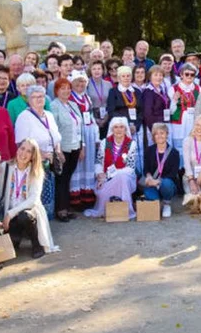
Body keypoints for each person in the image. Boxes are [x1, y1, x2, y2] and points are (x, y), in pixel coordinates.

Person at [1, 139, 58, 258]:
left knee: (24, 216)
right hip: (9, 212)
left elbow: (33, 199)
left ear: (33, 156)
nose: (24, 153)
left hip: (28, 212)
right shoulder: (5, 167)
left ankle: (36, 244)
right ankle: (16, 237)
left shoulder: (36, 171)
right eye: (22, 148)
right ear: (17, 149)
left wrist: (10, 214)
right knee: (12, 246)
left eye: (29, 151)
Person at [15, 86, 63, 219]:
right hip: (34, 162)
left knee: (48, 192)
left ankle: (46, 222)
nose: (38, 100)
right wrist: (41, 154)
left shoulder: (49, 115)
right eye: (35, 97)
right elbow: (21, 142)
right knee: (36, 194)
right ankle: (34, 223)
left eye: (41, 96)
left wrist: (57, 151)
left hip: (50, 161)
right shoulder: (24, 117)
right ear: (29, 100)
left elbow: (55, 135)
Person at [91, 117, 142, 218]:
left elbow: (131, 167)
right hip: (105, 177)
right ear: (112, 129)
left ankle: (125, 210)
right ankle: (111, 210)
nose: (119, 130)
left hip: (126, 176)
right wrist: (99, 174)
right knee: (105, 187)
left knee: (122, 176)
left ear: (126, 129)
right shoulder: (105, 142)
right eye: (116, 127)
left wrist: (113, 174)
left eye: (121, 127)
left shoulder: (131, 144)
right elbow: (98, 162)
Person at [50, 78, 85, 222]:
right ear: (56, 91)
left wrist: (82, 146)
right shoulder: (54, 106)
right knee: (61, 179)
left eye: (68, 88)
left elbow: (80, 126)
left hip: (75, 146)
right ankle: (60, 210)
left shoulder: (73, 104)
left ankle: (66, 207)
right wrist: (58, 151)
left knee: (68, 178)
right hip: (62, 148)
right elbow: (54, 130)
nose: (66, 91)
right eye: (62, 88)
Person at [68, 71, 100, 208]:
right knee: (79, 164)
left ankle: (88, 196)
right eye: (78, 82)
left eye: (83, 82)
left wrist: (97, 135)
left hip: (89, 132)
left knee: (89, 163)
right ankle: (76, 198)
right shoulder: (70, 98)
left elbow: (91, 116)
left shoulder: (87, 97)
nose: (81, 85)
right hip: (78, 133)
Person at [142, 123, 182, 217]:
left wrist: (157, 182)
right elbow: (146, 168)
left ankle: (167, 204)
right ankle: (158, 202)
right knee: (149, 195)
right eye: (156, 134)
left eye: (162, 133)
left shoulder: (174, 153)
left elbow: (173, 173)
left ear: (167, 134)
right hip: (152, 183)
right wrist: (149, 177)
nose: (159, 136)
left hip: (167, 184)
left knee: (166, 184)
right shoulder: (149, 150)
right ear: (153, 136)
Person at [169, 63, 201, 156]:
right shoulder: (173, 89)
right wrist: (174, 100)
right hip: (178, 123)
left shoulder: (198, 89)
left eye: (192, 75)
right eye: (186, 74)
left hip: (193, 121)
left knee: (193, 146)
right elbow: (170, 111)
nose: (189, 76)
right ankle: (179, 168)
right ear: (181, 75)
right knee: (179, 146)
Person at [106, 65, 143, 136]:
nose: (126, 78)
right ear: (119, 78)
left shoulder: (137, 92)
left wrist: (136, 125)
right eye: (123, 76)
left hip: (136, 127)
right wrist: (126, 125)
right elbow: (111, 111)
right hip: (120, 127)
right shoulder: (113, 92)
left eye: (128, 76)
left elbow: (141, 111)